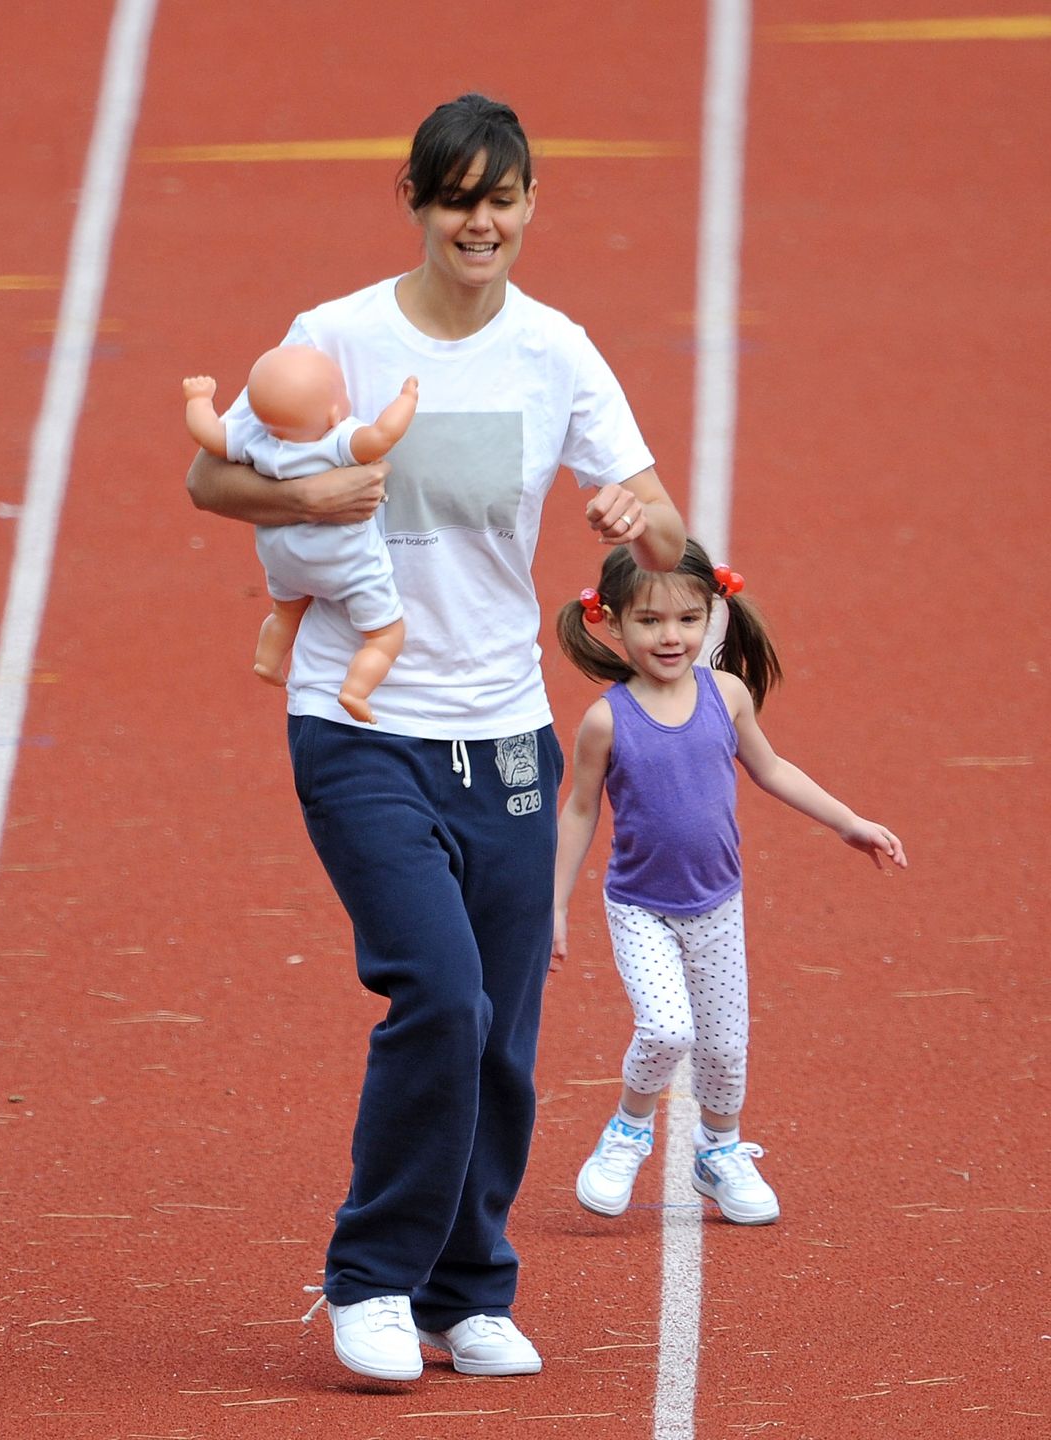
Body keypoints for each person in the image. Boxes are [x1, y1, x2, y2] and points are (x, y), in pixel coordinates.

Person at [185, 92, 685, 1383]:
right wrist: (322, 487)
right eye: (458, 195)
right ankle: (370, 1278)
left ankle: (469, 1292)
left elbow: (670, 533)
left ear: (529, 208)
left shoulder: (556, 354)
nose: (483, 220)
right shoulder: (336, 337)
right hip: (360, 722)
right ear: (413, 203)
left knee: (505, 1025)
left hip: (505, 733)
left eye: (504, 197)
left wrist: (643, 516)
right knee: (441, 992)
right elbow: (210, 478)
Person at [552, 539, 907, 1226]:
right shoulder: (606, 720)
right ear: (613, 622)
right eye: (650, 621)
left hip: (716, 906)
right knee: (665, 1031)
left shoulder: (728, 695)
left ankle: (717, 1153)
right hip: (640, 907)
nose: (670, 636)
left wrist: (848, 822)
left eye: (687, 619)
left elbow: (772, 770)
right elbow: (579, 809)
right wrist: (555, 903)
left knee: (722, 1047)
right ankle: (628, 1130)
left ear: (712, 614)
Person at [182, 348, 419, 720]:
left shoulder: (255, 439)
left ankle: (268, 659)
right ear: (333, 412)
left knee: (285, 612)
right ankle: (356, 690)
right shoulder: (337, 440)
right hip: (344, 565)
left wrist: (198, 400)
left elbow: (209, 434)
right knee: (386, 636)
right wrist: (406, 399)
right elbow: (382, 435)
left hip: (283, 558)